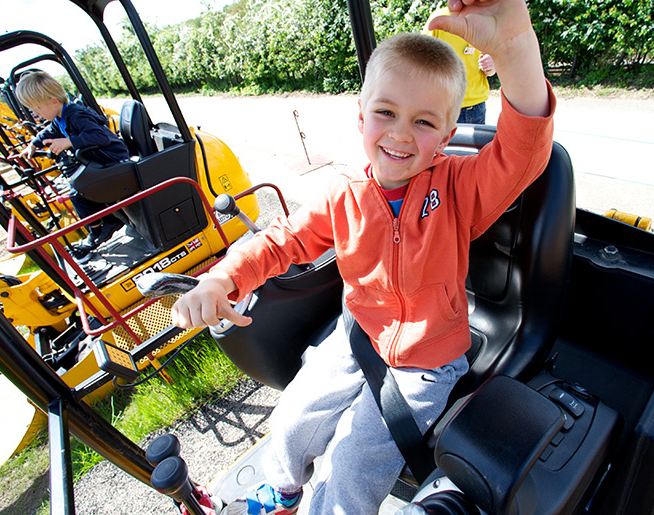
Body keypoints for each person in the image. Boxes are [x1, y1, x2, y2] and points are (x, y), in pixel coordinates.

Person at [172, 0, 554, 512]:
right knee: (291, 417)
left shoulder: (460, 188)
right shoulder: (342, 194)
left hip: (428, 360)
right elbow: (280, 240)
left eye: (423, 122)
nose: (399, 133)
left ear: (447, 134)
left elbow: (522, 149)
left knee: (354, 463)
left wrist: (514, 50)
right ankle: (282, 489)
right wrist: (221, 280)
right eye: (386, 112)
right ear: (361, 115)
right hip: (358, 336)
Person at [14, 71, 129, 260]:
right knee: (77, 186)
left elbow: (100, 136)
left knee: (77, 192)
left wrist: (69, 141)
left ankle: (100, 227)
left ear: (53, 101)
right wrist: (34, 144)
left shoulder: (76, 115)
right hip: (99, 161)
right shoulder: (60, 117)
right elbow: (47, 132)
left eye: (37, 108)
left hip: (112, 160)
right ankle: (106, 221)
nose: (35, 113)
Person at [426, 3, 497, 124]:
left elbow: (491, 70)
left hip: (477, 107)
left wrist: (491, 66)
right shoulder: (439, 19)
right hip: (446, 108)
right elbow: (423, 65)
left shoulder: (487, 20)